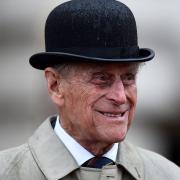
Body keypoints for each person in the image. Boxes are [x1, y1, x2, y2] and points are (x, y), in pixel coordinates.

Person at [0, 0, 179, 179]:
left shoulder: (168, 174)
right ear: (55, 86)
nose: (120, 97)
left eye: (128, 78)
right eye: (101, 79)